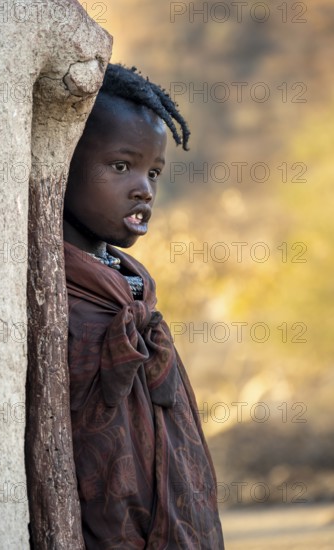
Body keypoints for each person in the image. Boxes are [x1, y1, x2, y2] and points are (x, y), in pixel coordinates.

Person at [63, 63, 224, 549]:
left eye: (153, 172)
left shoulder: (136, 291)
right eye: (120, 167)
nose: (144, 189)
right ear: (61, 161)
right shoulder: (50, 292)